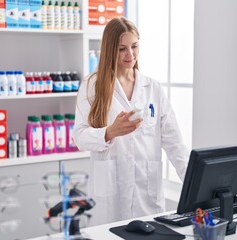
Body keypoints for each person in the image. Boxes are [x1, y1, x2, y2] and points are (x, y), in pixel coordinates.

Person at [73, 17, 190, 226]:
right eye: (122, 49)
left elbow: (175, 144)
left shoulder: (152, 88)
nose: (130, 55)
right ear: (110, 49)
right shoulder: (91, 86)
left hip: (147, 199)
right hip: (109, 202)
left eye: (134, 46)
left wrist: (195, 187)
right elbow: (79, 137)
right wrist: (109, 132)